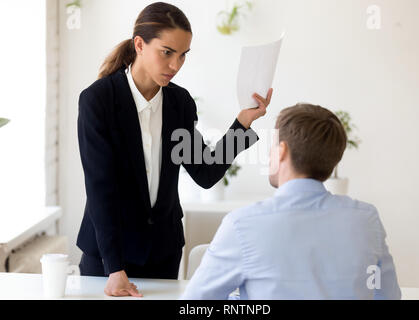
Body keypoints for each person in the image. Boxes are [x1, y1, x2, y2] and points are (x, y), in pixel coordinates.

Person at [76, 2, 272, 297]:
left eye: (183, 56)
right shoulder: (98, 101)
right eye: (167, 52)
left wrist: (243, 122)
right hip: (108, 257)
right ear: (139, 44)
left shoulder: (179, 103)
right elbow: (100, 187)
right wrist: (114, 268)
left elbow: (204, 172)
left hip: (163, 254)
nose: (175, 65)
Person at [180, 103, 401, 300]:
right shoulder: (366, 220)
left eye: (273, 145)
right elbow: (387, 295)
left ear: (282, 151)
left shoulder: (243, 225)